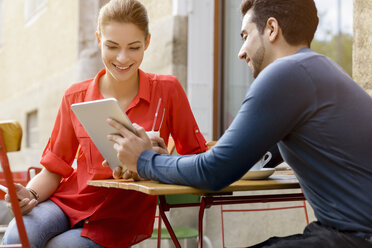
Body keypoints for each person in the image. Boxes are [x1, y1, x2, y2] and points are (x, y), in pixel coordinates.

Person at [105, 0, 372, 247]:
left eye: (245, 36)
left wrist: (145, 161)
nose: (240, 53)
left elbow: (215, 171)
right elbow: (244, 155)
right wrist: (160, 159)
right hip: (343, 232)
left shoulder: (285, 74)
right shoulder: (317, 70)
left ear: (271, 29)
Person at [2, 0, 207, 247]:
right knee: (17, 234)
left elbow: (198, 159)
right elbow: (55, 168)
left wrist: (162, 161)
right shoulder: (74, 97)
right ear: (99, 40)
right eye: (112, 46)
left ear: (148, 43)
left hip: (118, 218)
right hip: (68, 202)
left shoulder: (167, 90)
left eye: (134, 47)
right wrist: (31, 194)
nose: (122, 58)